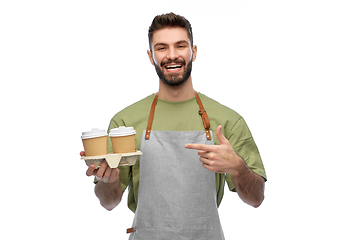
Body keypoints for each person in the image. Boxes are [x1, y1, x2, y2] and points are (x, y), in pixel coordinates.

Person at [81, 12, 266, 239]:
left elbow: (256, 198)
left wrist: (238, 168)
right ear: (151, 56)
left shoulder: (226, 120)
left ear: (193, 51)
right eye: (161, 48)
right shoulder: (125, 123)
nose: (172, 55)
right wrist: (107, 181)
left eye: (180, 46)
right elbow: (109, 202)